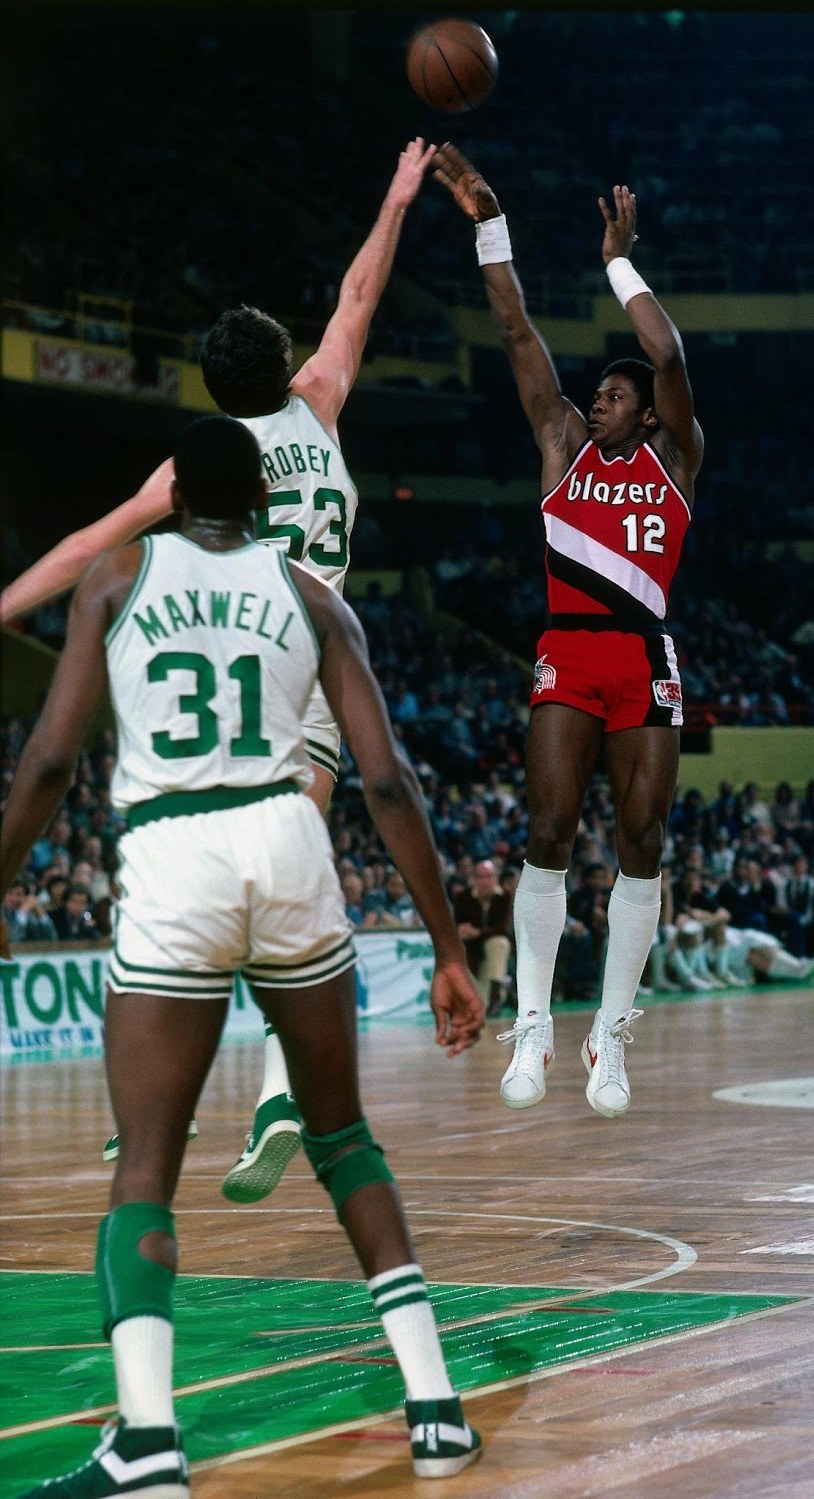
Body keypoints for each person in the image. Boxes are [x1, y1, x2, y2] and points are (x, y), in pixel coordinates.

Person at [0, 417, 484, 1495]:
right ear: (264, 500)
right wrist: (448, 947)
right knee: (343, 1137)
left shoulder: (116, 578)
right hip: (286, 836)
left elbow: (50, 761)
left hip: (177, 850)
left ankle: (148, 1440)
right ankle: (436, 1410)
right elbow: (389, 779)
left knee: (145, 1162)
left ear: (174, 494)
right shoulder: (315, 597)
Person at [1, 139, 438, 1203]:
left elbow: (86, 546)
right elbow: (358, 294)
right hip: (312, 661)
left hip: (219, 654)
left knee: (179, 872)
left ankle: (154, 1104)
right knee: (291, 898)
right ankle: (281, 1095)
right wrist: (394, 198)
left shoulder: (199, 469)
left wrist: (3, 604)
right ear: (284, 366)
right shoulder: (320, 399)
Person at [434, 145, 703, 1118]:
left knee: (643, 836)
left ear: (650, 416)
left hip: (644, 653)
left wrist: (617, 263)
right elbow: (514, 330)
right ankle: (537, 1019)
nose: (599, 401)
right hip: (569, 648)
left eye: (616, 397)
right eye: (597, 395)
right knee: (546, 829)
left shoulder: (675, 459)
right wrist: (490, 223)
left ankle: (611, 1031)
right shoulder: (562, 445)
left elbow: (669, 357)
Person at [452, 858, 513, 1016]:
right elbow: (457, 925)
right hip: (472, 952)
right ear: (473, 878)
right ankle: (503, 990)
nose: (485, 881)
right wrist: (461, 931)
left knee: (499, 942)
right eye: (480, 877)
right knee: (478, 1005)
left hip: (494, 950)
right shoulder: (463, 897)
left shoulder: (504, 896)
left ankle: (496, 997)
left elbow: (502, 929)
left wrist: (478, 932)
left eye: (489, 876)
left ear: (496, 877)